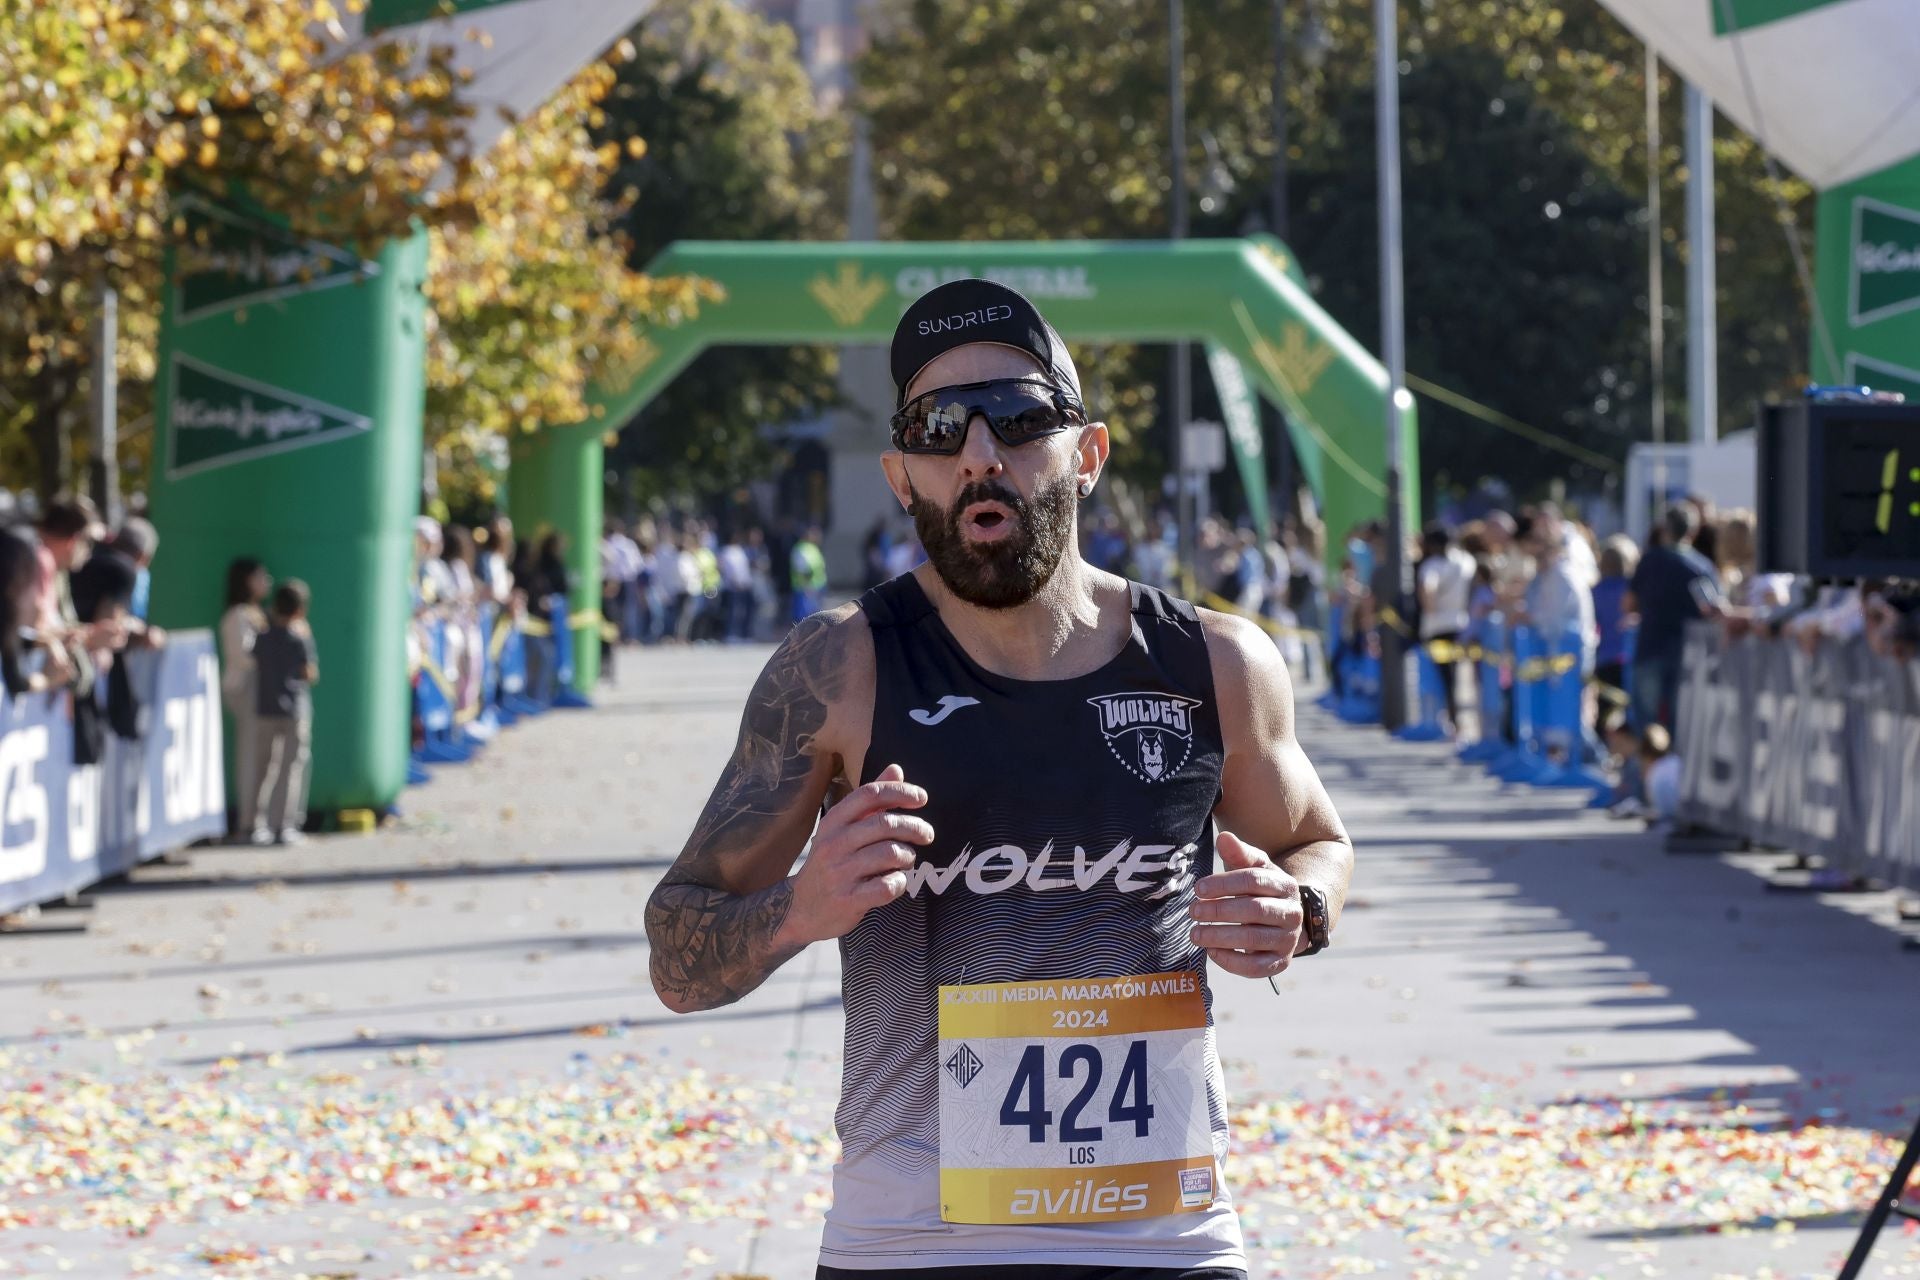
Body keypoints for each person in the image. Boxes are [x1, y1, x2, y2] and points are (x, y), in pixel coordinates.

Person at [645, 279, 1352, 1278]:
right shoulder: (837, 671)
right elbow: (676, 951)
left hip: (1166, 1235)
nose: (980, 453)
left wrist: (1302, 905)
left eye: (1020, 419)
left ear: (1088, 452)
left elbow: (1319, 840)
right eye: (940, 427)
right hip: (909, 1242)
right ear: (902, 474)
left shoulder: (1216, 665)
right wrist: (798, 908)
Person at [1626, 504, 1718, 731]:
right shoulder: (1701, 567)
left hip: (1651, 649)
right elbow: (1713, 609)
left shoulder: (1649, 561)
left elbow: (1628, 603)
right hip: (1685, 654)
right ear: (1692, 532)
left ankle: (1652, 765)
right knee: (1680, 724)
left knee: (1648, 726)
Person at [240, 580, 317, 846]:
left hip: (266, 708)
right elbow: (310, 673)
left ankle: (253, 824)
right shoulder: (300, 638)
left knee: (263, 768)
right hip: (295, 709)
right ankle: (285, 825)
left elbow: (253, 657)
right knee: (291, 769)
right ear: (300, 610)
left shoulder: (263, 637)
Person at [219, 557, 271, 840]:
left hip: (260, 689)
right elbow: (244, 656)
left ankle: (256, 818)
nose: (267, 582)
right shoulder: (239, 615)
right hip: (245, 688)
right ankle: (248, 821)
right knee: (250, 756)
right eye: (261, 576)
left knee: (263, 757)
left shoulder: (256, 612)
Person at [1416, 522, 1475, 732]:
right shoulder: (1468, 561)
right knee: (1458, 675)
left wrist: (1430, 609)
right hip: (1461, 623)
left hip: (1437, 626)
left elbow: (1427, 589)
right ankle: (1457, 720)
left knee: (1441, 677)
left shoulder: (1431, 565)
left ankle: (1449, 720)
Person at [1590, 535, 1638, 741]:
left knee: (1604, 710)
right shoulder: (1633, 589)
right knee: (1630, 711)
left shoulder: (1596, 591)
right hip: (1629, 658)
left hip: (1605, 659)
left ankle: (1603, 748)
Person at [790, 523, 827, 624]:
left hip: (817, 587)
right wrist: (807, 586)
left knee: (814, 617)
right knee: (804, 619)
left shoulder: (812, 547)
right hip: (806, 589)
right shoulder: (801, 548)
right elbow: (802, 570)